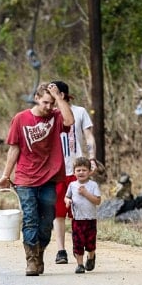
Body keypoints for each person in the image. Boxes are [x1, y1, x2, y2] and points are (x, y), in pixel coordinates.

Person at [0, 82, 74, 276]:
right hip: (25, 178)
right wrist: (6, 175)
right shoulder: (21, 119)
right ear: (37, 98)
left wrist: (59, 98)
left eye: (52, 103)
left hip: (50, 177)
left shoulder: (56, 117)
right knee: (31, 219)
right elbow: (14, 148)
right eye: (45, 102)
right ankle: (31, 260)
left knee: (47, 221)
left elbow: (70, 121)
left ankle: (39, 253)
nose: (49, 107)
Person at [49, 80, 98, 266]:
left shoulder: (79, 112)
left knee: (80, 213)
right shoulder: (50, 114)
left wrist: (91, 157)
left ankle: (85, 249)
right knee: (59, 212)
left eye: (54, 94)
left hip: (77, 169)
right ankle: (61, 250)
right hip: (57, 171)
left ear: (61, 95)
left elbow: (89, 136)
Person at [65, 157, 102, 273]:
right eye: (78, 170)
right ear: (74, 172)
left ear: (89, 171)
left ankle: (91, 257)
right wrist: (67, 201)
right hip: (77, 219)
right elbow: (67, 197)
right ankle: (80, 265)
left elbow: (97, 201)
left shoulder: (93, 185)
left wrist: (86, 193)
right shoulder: (72, 185)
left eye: (84, 170)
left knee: (90, 243)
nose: (81, 172)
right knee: (78, 242)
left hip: (90, 219)